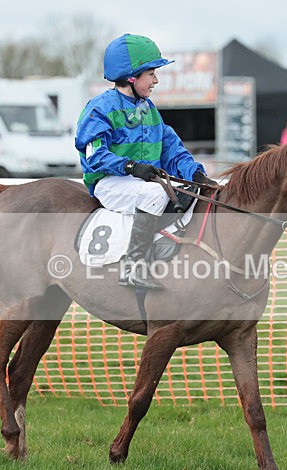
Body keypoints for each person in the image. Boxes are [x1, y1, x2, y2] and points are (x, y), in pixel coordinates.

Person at [75, 34, 208, 290]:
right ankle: (134, 267)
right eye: (151, 73)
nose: (156, 80)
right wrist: (130, 167)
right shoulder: (99, 108)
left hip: (144, 182)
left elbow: (171, 148)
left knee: (191, 192)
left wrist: (196, 175)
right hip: (110, 182)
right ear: (132, 77)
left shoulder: (148, 109)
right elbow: (94, 156)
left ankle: (162, 250)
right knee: (154, 195)